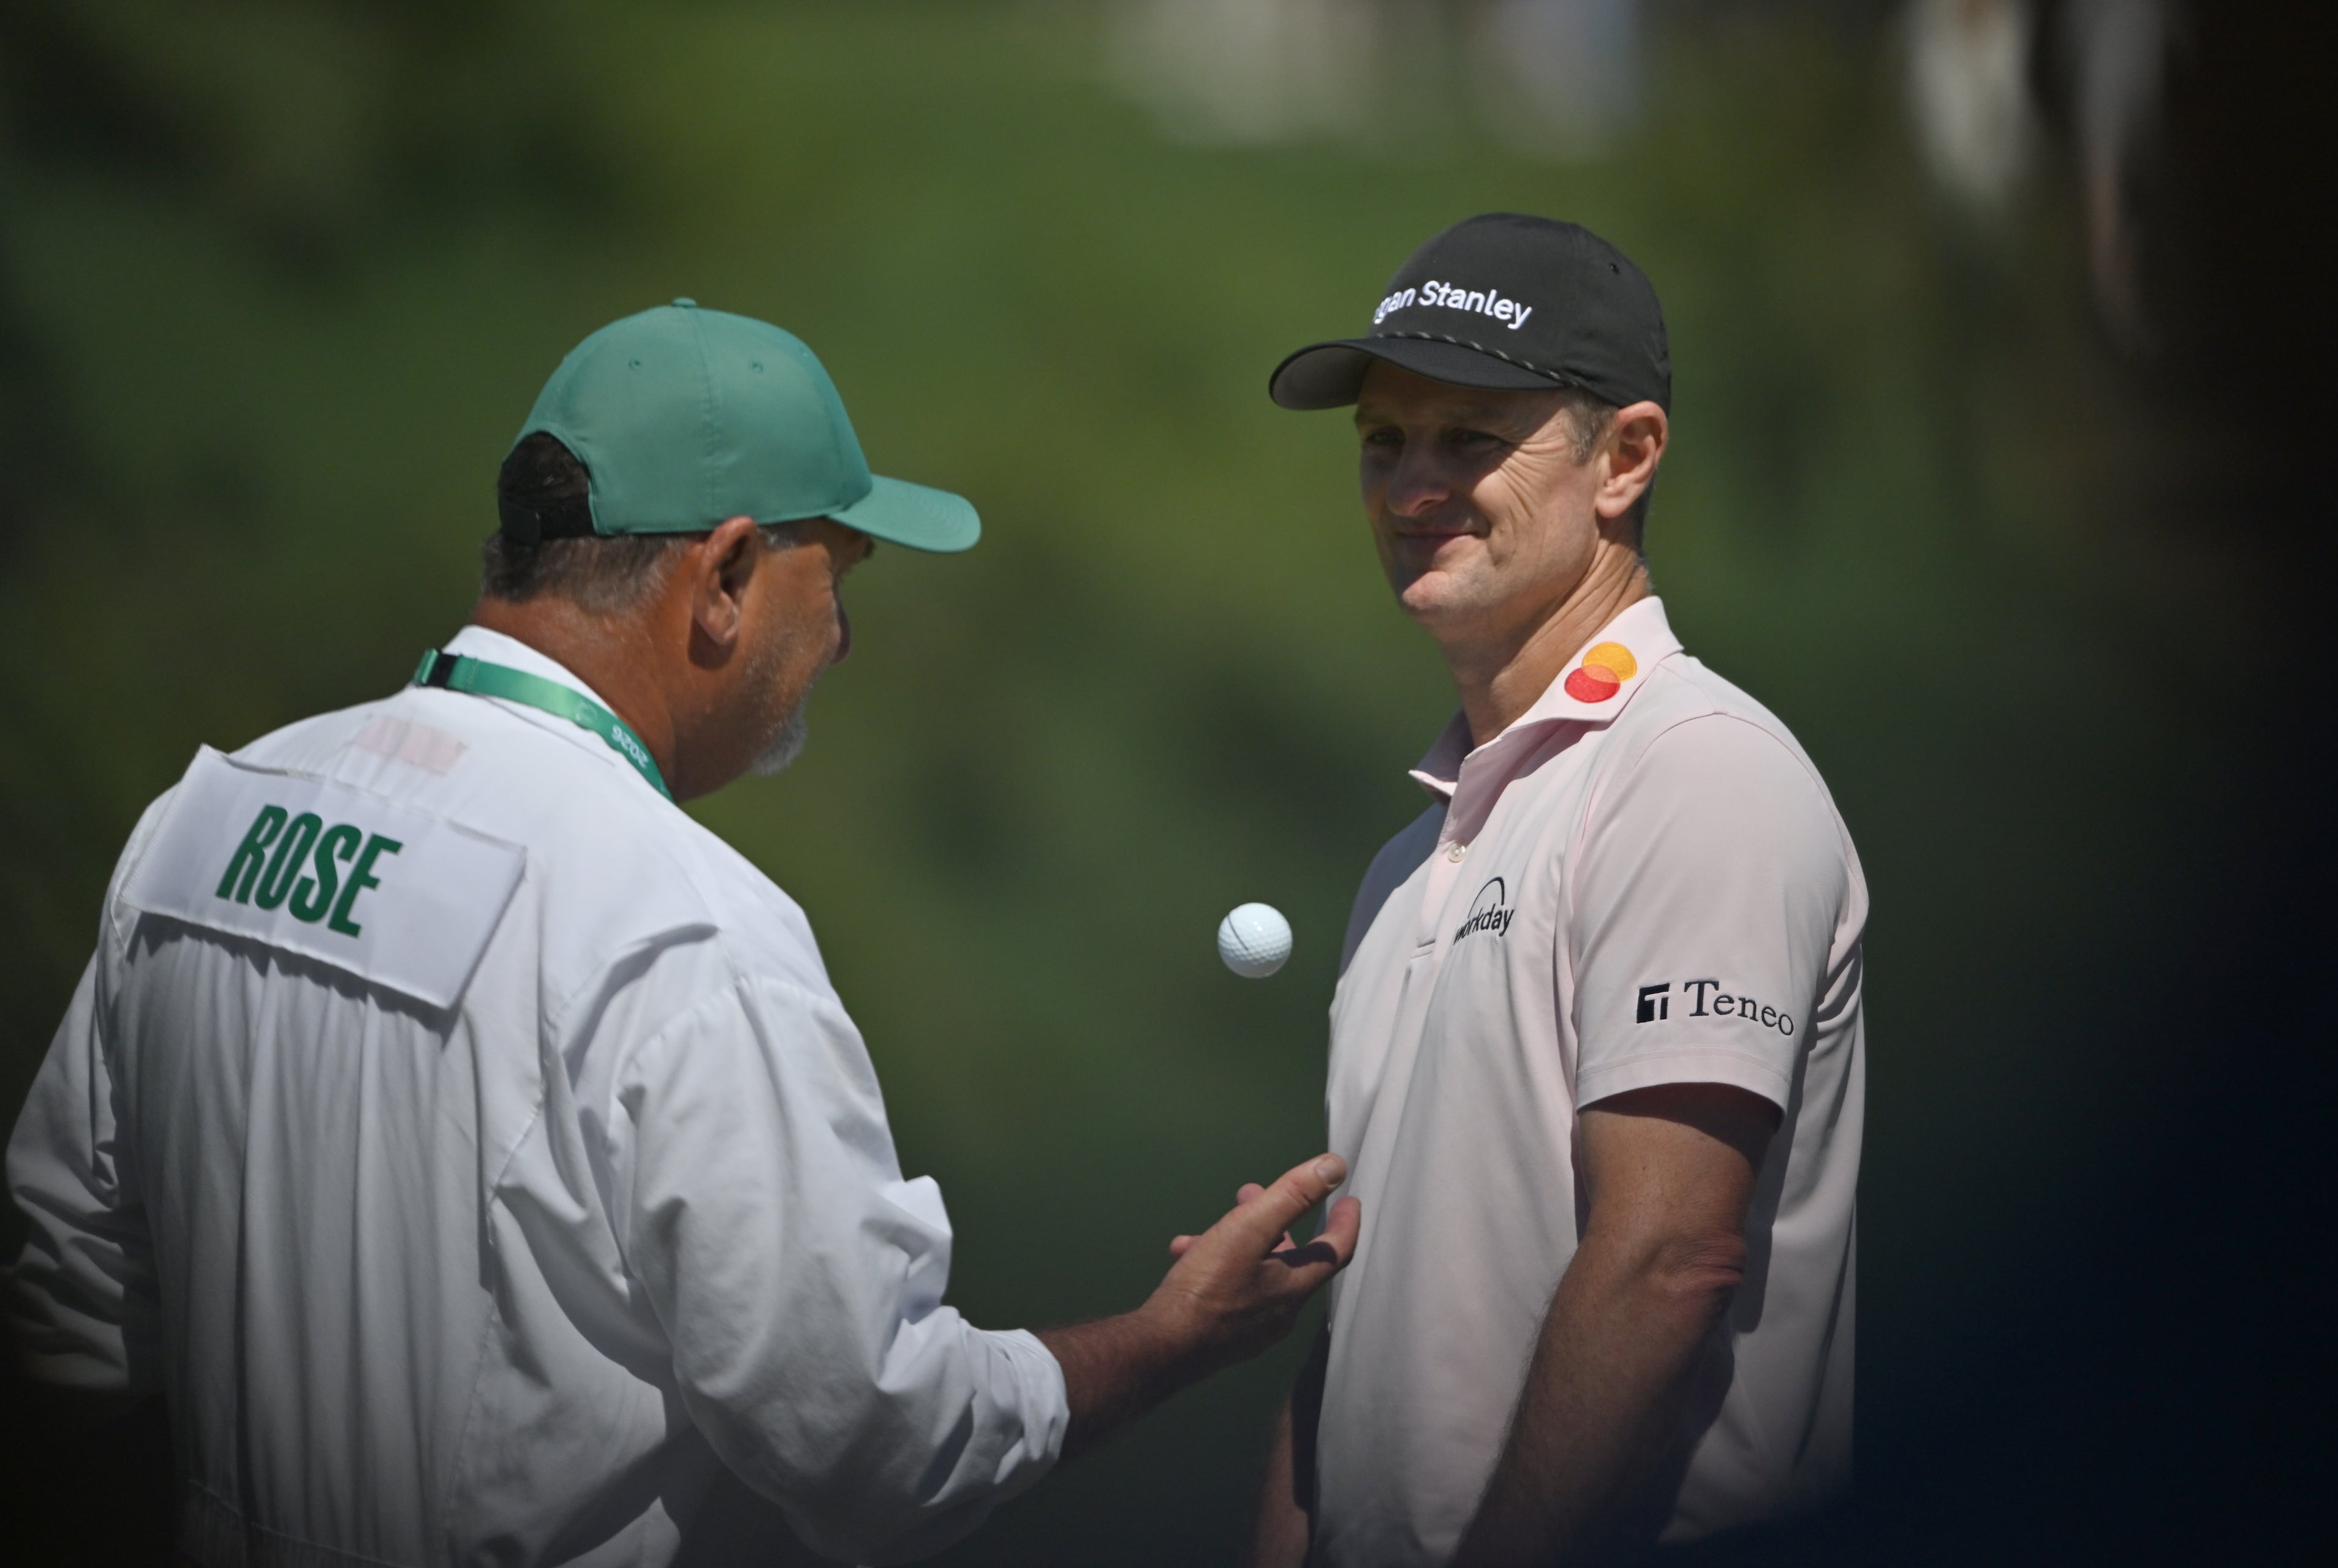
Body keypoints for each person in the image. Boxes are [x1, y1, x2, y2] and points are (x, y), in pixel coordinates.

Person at [2, 300, 1361, 1567]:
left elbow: (64, 1321)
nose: (843, 641)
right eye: (840, 577)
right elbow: (873, 1439)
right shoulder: (687, 930)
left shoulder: (204, 819)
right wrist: (1169, 1338)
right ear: (723, 573)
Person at [1246, 216, 1866, 1566]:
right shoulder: (1413, 856)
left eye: (1470, 439)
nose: (1413, 484)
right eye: (1383, 442)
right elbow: (1360, 1330)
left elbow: (1667, 1262)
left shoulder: (1699, 770)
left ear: (1626, 457)